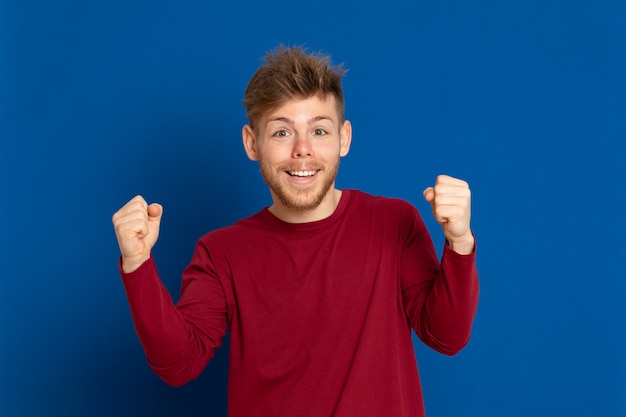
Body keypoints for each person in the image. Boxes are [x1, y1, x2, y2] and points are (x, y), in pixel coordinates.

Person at [112, 45, 479, 417]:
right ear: (252, 143)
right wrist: (137, 263)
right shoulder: (221, 252)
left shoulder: (393, 223)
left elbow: (446, 336)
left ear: (344, 139)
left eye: (319, 130)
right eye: (282, 132)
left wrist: (459, 242)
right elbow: (178, 363)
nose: (303, 150)